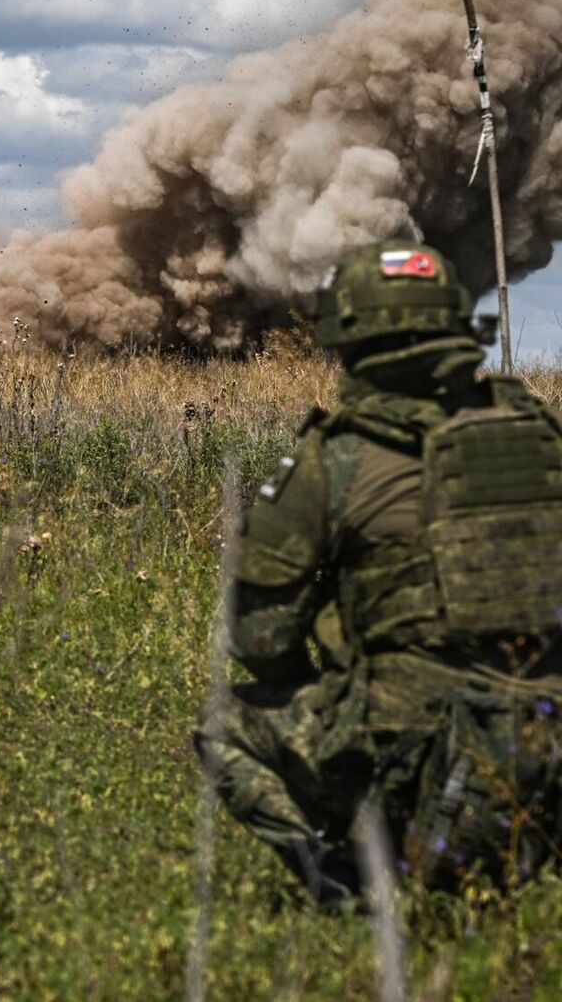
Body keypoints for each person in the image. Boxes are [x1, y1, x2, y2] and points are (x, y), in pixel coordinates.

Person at [197, 240, 562, 903]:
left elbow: (258, 638)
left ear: (352, 338)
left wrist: (340, 677)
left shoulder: (336, 458)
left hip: (417, 765)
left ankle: (348, 884)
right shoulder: (544, 438)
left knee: (229, 723)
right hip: (550, 753)